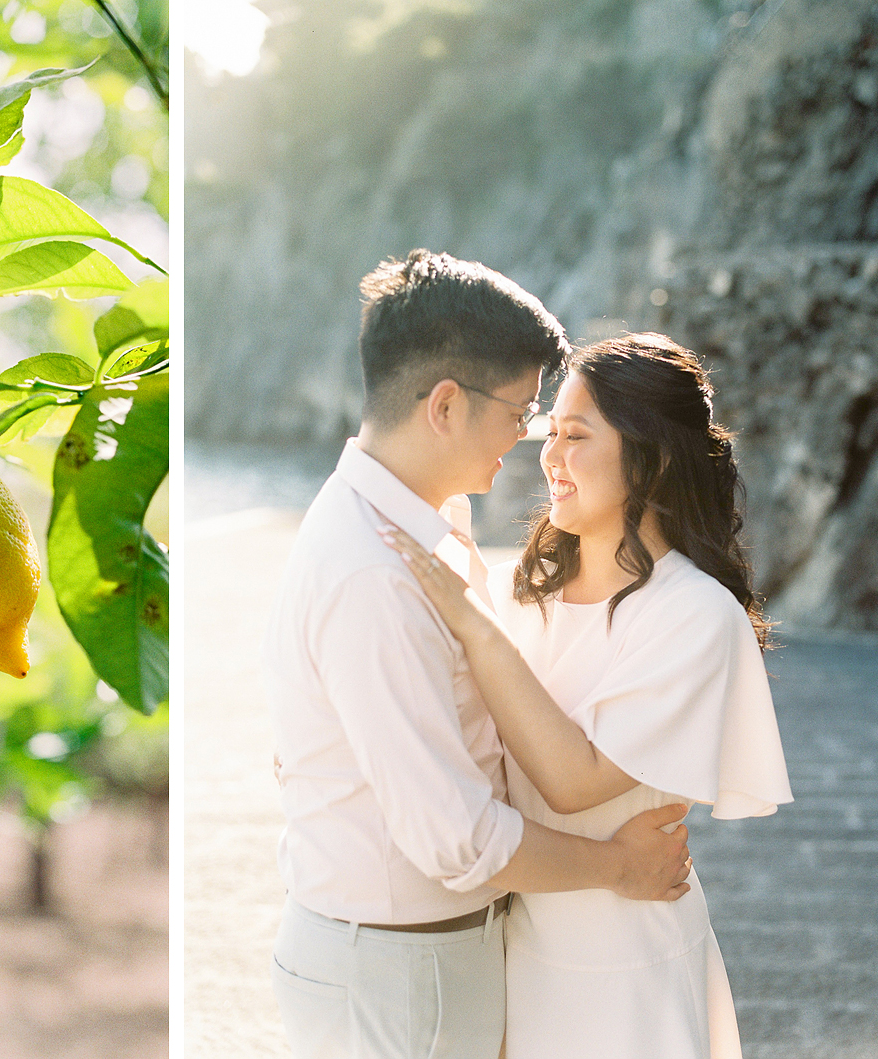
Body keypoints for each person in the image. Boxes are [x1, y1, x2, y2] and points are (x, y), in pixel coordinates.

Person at [265, 252, 695, 1059]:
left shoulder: (423, 524)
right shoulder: (373, 573)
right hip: (395, 969)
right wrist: (619, 868)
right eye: (521, 410)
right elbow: (453, 837)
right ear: (446, 405)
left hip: (419, 952)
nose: (529, 438)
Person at [381, 332, 793, 1059]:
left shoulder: (695, 614)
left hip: (626, 970)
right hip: (512, 954)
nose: (551, 455)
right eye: (550, 433)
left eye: (577, 435)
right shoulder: (518, 591)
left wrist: (473, 624)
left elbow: (575, 781)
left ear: (652, 455)